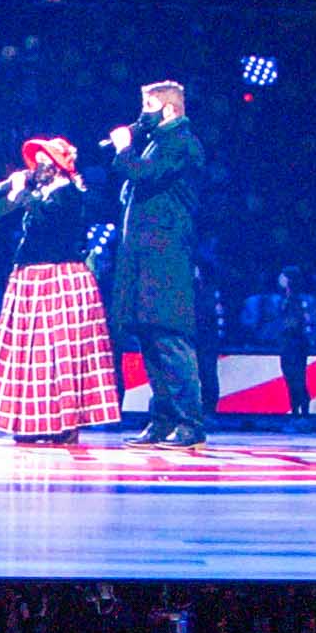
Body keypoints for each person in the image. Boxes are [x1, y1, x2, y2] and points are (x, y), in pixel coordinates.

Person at [0, 137, 115, 444]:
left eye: (43, 162)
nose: (36, 168)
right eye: (35, 162)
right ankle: (31, 421)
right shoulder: (37, 194)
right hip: (29, 278)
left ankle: (65, 422)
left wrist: (24, 192)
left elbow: (48, 220)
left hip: (60, 279)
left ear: (57, 166)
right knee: (29, 352)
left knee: (60, 353)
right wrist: (15, 192)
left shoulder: (70, 194)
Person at [107, 78, 215, 443]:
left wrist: (124, 150)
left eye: (148, 107)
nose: (142, 115)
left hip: (166, 261)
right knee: (150, 338)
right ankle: (163, 417)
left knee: (170, 339)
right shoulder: (156, 143)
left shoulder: (181, 143)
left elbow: (145, 175)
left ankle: (190, 421)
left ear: (168, 109)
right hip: (143, 262)